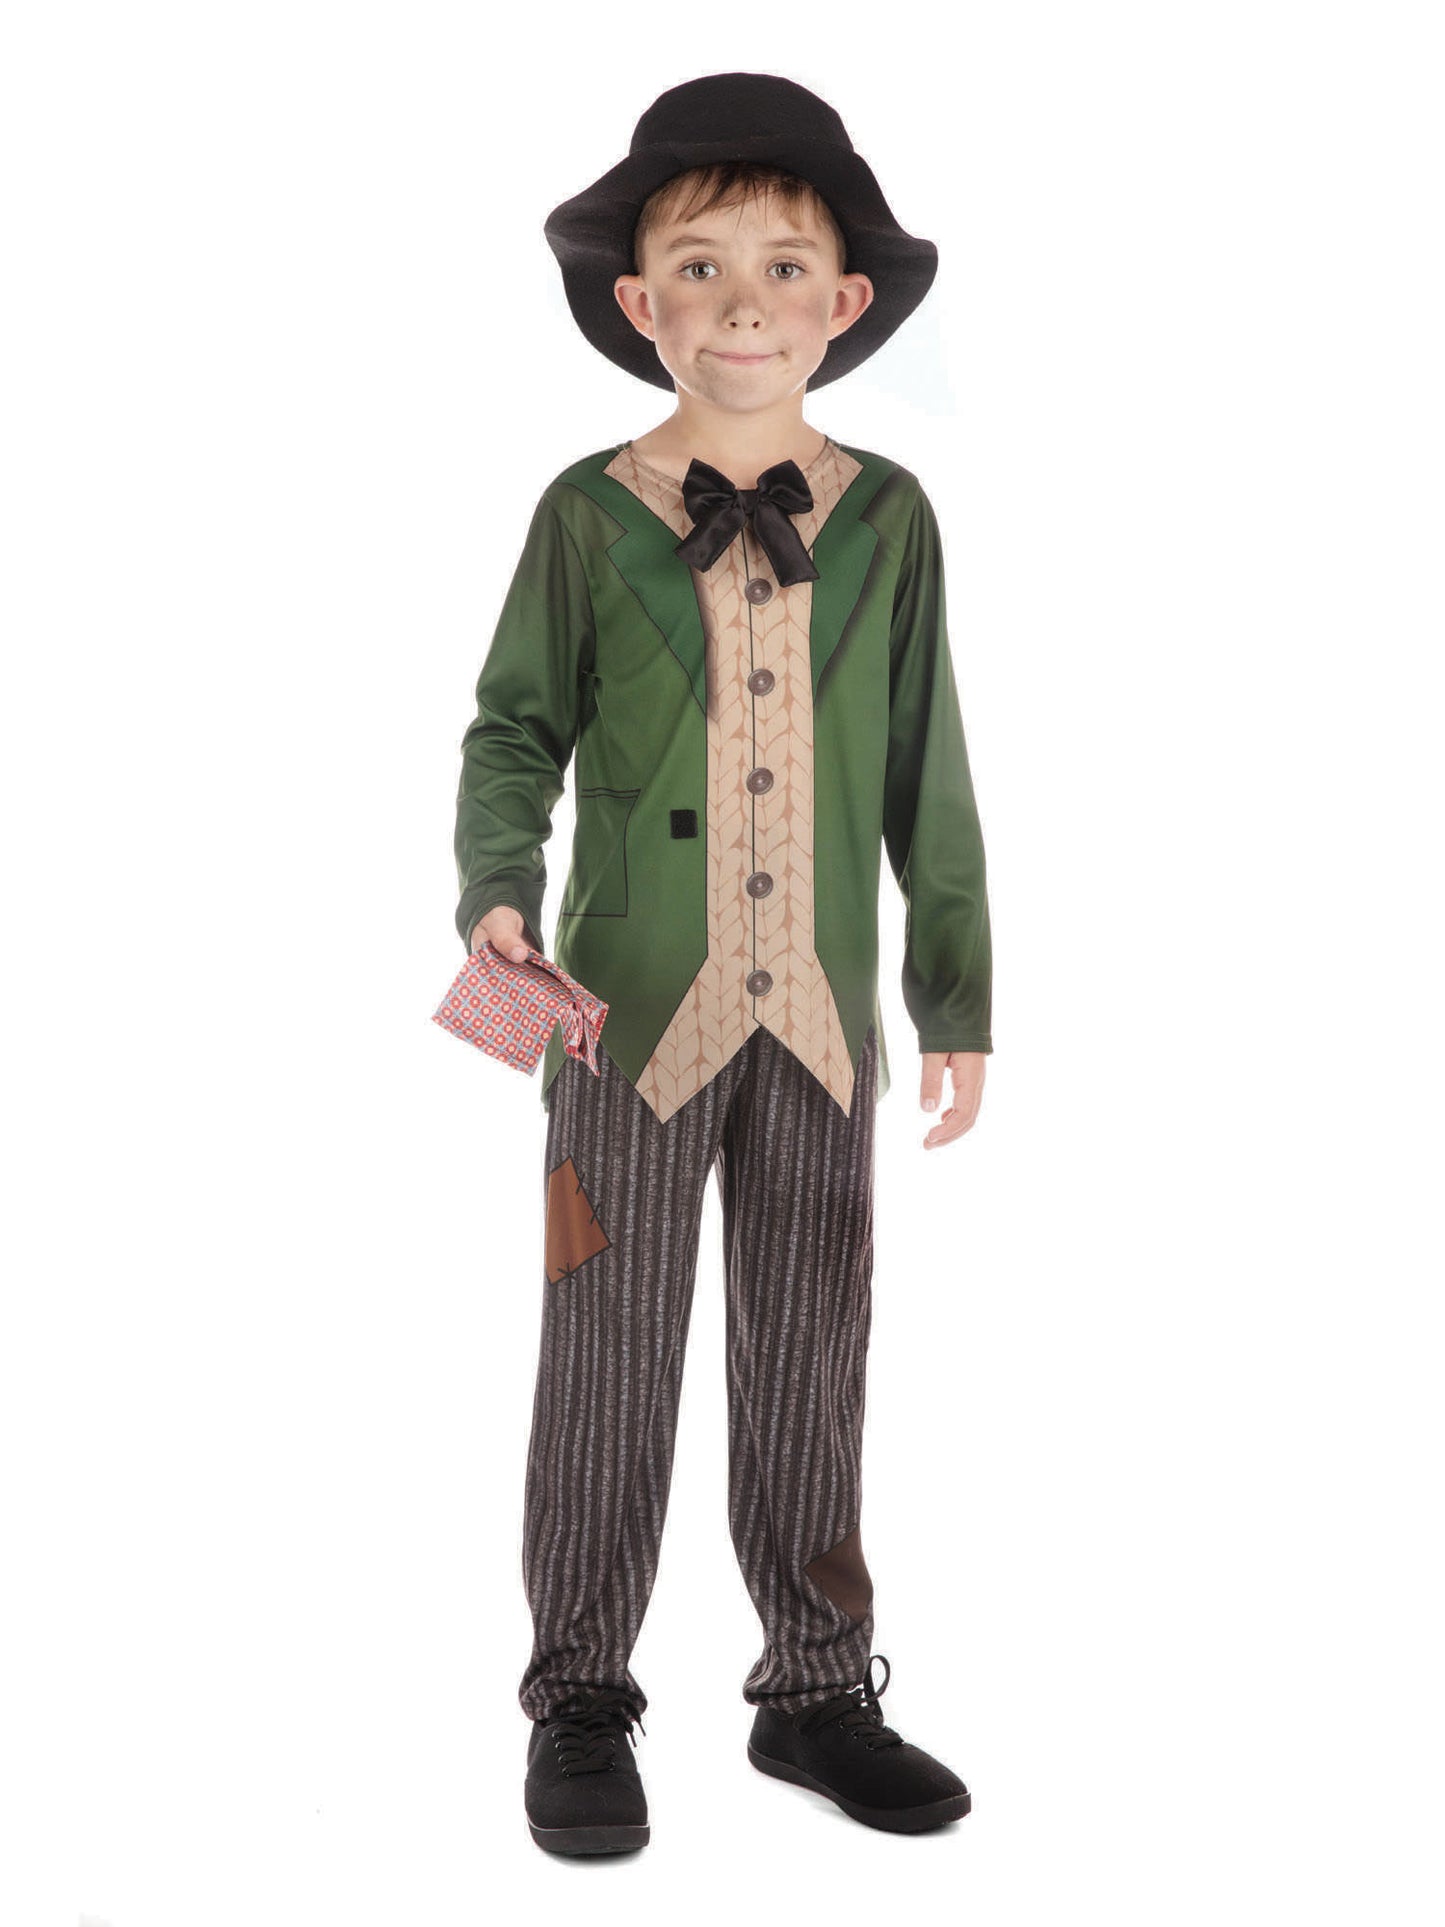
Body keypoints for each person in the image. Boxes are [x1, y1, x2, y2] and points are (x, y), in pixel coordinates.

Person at [452, 71, 993, 1855]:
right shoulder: (582, 511)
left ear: (843, 304)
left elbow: (925, 766)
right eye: (698, 267)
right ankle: (580, 1692)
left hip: (821, 1022)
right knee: (603, 1348)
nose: (741, 302)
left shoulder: (891, 516)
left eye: (781, 267)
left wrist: (955, 998)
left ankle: (814, 1690)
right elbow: (512, 728)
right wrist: (494, 888)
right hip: (616, 1026)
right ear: (639, 303)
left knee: (812, 1346)